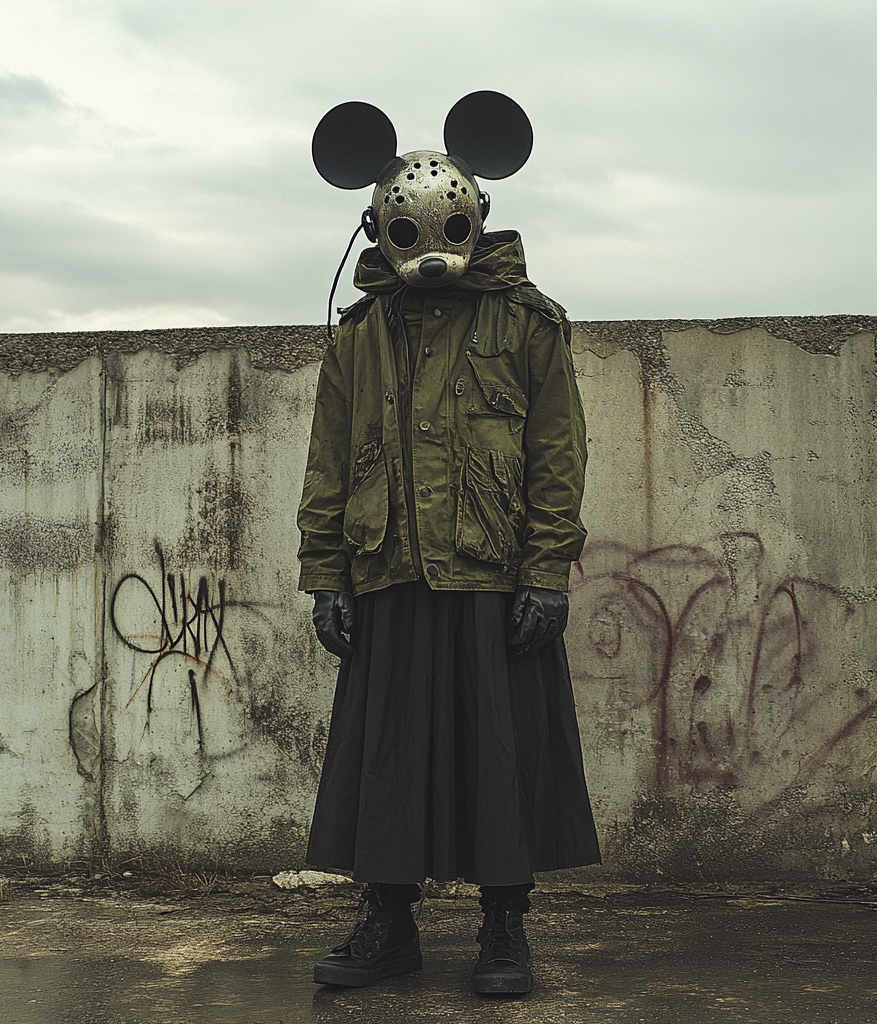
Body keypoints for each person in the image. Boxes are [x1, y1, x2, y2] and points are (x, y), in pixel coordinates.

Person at [297, 92, 600, 995]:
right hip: (386, 570)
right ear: (375, 226)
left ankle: (504, 930)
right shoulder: (357, 338)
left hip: (493, 578)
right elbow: (327, 462)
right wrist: (326, 576)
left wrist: (546, 571)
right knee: (385, 761)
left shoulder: (528, 323)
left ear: (479, 215)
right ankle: (387, 926)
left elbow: (557, 454)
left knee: (499, 762)